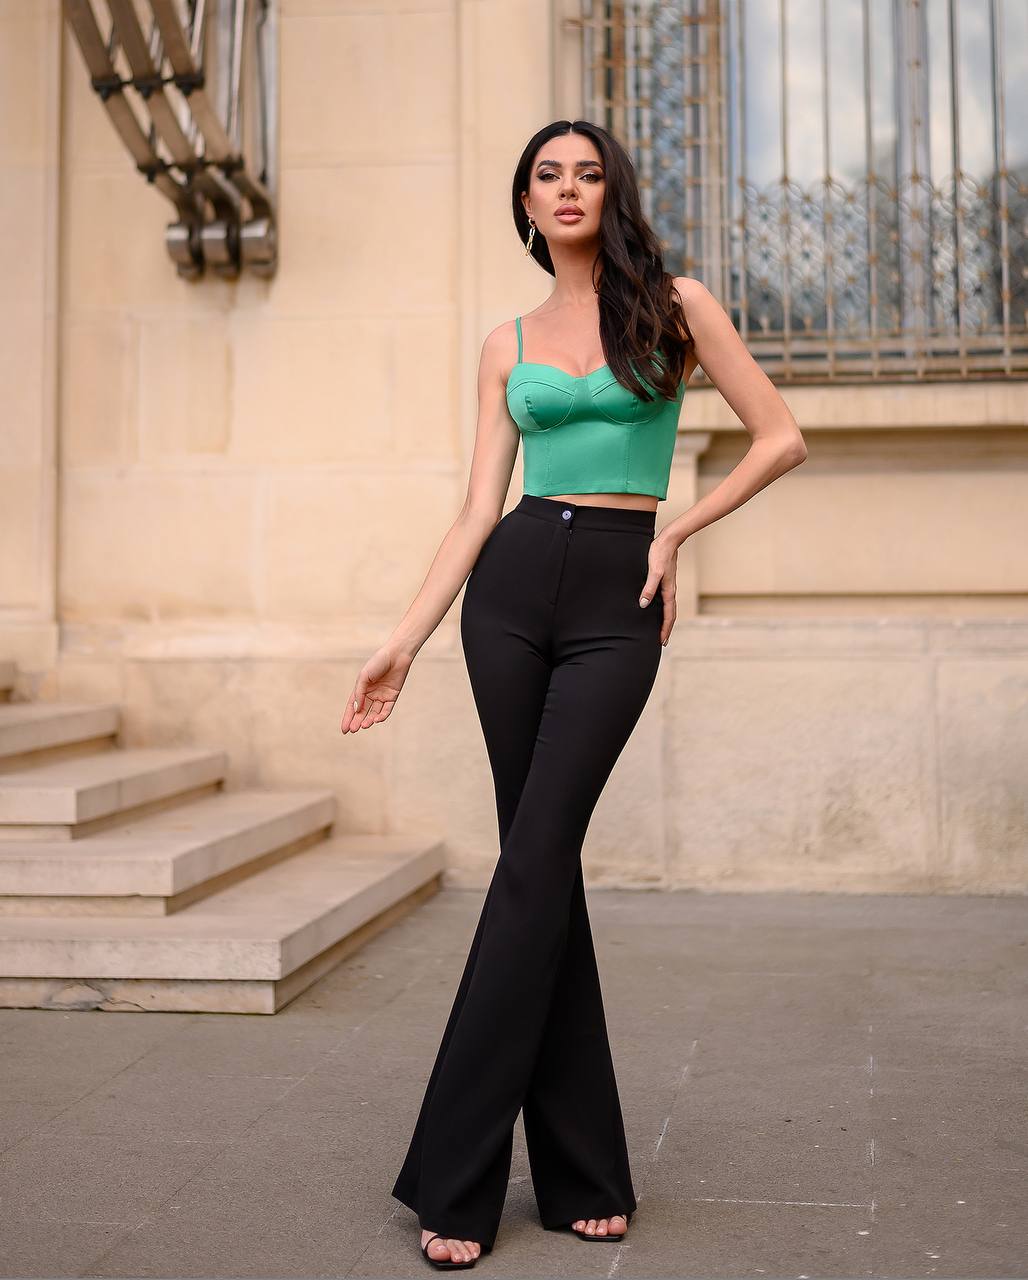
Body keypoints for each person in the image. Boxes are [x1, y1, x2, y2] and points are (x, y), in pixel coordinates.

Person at [340, 119, 807, 1270]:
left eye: (586, 173)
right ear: (524, 200)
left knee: (533, 859)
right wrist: (401, 638)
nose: (566, 189)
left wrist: (679, 532)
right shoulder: (504, 340)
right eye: (546, 175)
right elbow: (472, 510)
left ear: (612, 192)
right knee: (538, 870)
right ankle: (584, 1168)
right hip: (505, 600)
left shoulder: (677, 303)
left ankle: (449, 1173)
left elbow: (781, 436)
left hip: (617, 596)